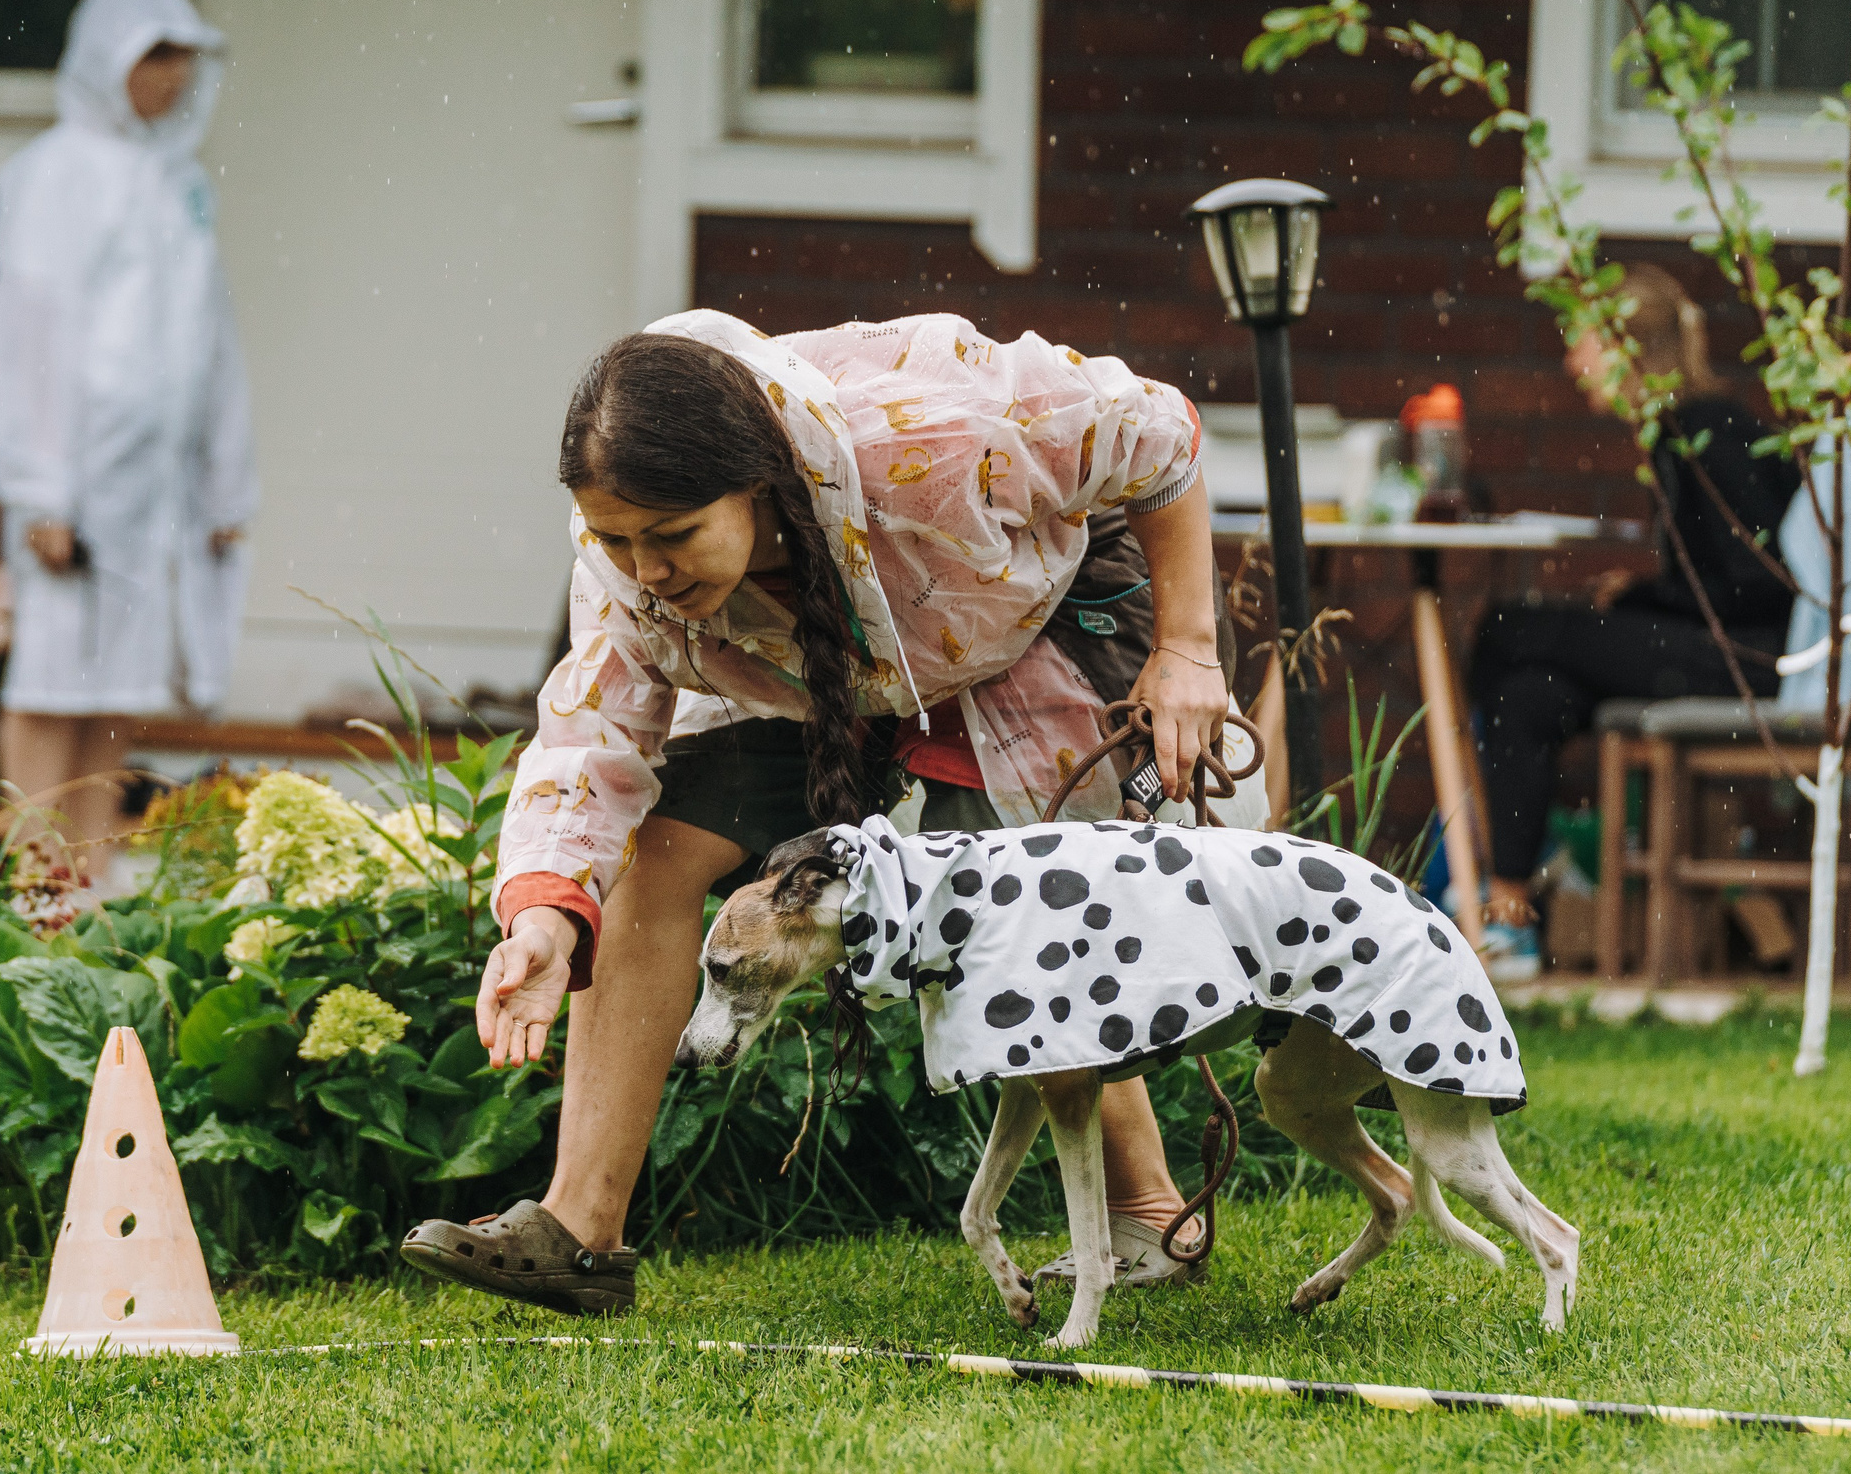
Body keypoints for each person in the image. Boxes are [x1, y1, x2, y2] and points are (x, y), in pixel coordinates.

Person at [400, 310, 1268, 1316]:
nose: (643, 570)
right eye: (614, 539)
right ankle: (578, 1232)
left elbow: (1157, 431)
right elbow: (591, 748)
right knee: (655, 850)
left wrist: (1190, 647)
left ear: (759, 481)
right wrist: (544, 919)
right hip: (803, 664)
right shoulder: (639, 580)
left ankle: (1150, 1209)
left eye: (671, 535)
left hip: (1021, 613)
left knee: (1011, 908)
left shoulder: (940, 437)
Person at [0, 0, 259, 877]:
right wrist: (40, 491)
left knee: (115, 689)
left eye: (184, 58)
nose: (172, 78)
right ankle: (34, 890)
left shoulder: (177, 184)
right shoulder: (52, 177)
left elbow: (209, 339)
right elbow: (28, 336)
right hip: (80, 480)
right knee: (51, 680)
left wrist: (225, 480)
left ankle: (87, 885)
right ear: (108, 61)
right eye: (156, 56)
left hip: (155, 485)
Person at [1470, 263, 1799, 962]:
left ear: (1625, 349)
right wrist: (1647, 594)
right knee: (1530, 696)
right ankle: (1510, 914)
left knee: (1507, 630)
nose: (1572, 359)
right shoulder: (1679, 430)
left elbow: (1762, 584)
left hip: (1746, 658)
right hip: (1715, 644)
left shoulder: (1709, 430)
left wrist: (1650, 598)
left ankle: (1505, 867)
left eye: (1583, 342)